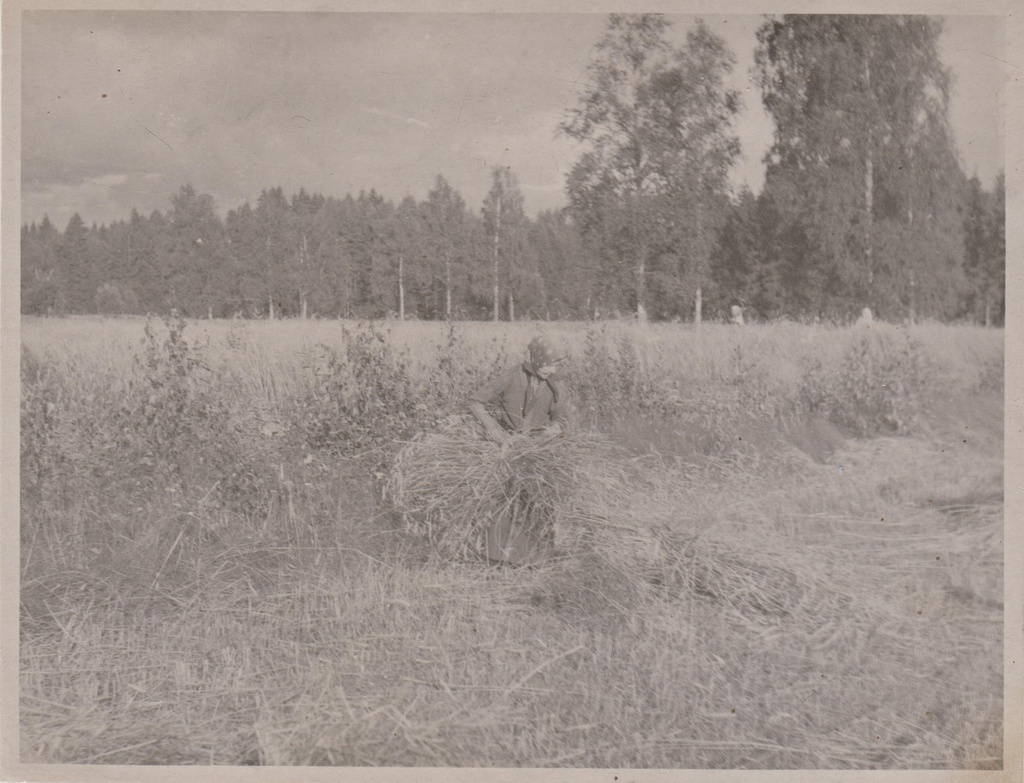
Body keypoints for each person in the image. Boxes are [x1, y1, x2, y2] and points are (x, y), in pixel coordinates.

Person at [467, 335, 572, 565]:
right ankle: (496, 559)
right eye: (549, 364)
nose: (553, 370)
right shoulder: (510, 376)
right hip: (508, 450)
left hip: (538, 452)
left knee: (537, 501)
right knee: (504, 500)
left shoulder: (556, 385)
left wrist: (555, 429)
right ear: (537, 359)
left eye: (556, 365)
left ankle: (536, 559)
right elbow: (475, 402)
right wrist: (494, 429)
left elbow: (565, 421)